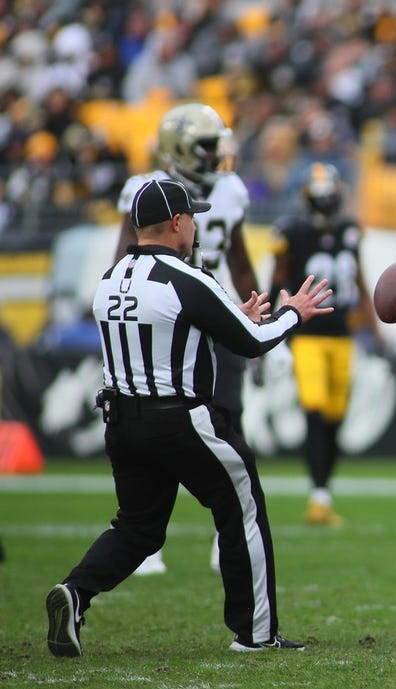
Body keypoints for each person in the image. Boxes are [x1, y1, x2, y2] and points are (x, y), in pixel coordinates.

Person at [46, 178, 333, 657]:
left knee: (137, 527)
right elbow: (253, 343)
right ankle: (256, 633)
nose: (196, 225)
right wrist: (293, 313)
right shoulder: (187, 277)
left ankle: (75, 592)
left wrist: (228, 316)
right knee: (242, 503)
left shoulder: (111, 277)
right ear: (178, 222)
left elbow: (171, 329)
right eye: (192, 217)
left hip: (121, 421)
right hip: (178, 420)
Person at [115, 102, 258, 575]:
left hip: (217, 314)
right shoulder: (146, 191)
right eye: (208, 146)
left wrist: (259, 313)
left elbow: (239, 260)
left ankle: (230, 531)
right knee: (166, 423)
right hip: (166, 319)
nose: (218, 155)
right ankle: (147, 540)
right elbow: (124, 258)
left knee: (228, 419)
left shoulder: (231, 190)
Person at [269, 162, 378, 526]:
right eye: (322, 199)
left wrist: (374, 325)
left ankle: (324, 494)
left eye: (330, 198)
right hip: (308, 336)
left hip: (342, 336)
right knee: (315, 412)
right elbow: (279, 281)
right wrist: (274, 328)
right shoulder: (292, 233)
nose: (327, 206)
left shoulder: (350, 230)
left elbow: (358, 276)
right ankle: (317, 496)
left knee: (334, 418)